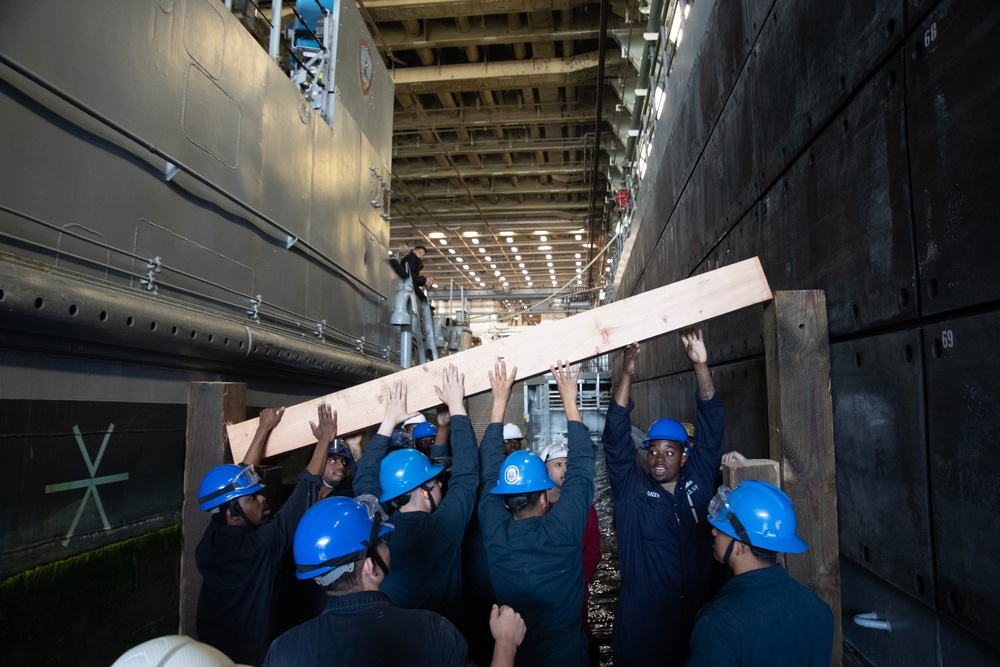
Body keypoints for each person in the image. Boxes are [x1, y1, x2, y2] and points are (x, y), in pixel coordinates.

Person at [263, 496, 526, 667]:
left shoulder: (283, 650)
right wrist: (505, 641)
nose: (386, 545)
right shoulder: (431, 631)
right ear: (368, 564)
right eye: (380, 540)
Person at [603, 330, 724, 667]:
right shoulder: (631, 489)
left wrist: (701, 367)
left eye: (668, 452)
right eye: (652, 450)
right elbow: (614, 438)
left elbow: (713, 427)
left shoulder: (698, 483)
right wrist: (627, 375)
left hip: (695, 628)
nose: (658, 459)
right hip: (644, 634)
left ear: (684, 456)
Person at [195, 404, 334, 666]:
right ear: (233, 513)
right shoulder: (258, 549)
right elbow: (302, 495)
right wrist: (324, 441)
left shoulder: (213, 537)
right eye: (253, 498)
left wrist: (263, 429)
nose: (262, 498)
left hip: (210, 652)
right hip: (249, 657)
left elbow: (239, 478)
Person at [479, 360, 596, 666]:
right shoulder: (563, 531)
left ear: (505, 503)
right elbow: (582, 466)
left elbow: (489, 471)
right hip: (566, 653)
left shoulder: (495, 535)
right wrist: (570, 399)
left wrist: (499, 402)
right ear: (544, 499)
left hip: (518, 653)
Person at [352, 368, 478, 630]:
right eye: (435, 483)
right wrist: (457, 406)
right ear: (423, 492)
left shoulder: (378, 530)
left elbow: (365, 480)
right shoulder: (445, 528)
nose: (440, 486)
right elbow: (466, 474)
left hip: (394, 642)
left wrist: (388, 421)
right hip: (444, 641)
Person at [687, 481, 834, 666]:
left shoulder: (718, 622)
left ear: (741, 548)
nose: (714, 531)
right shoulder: (819, 610)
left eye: (723, 529)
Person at [541, 442, 601, 666]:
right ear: (545, 469)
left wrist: (577, 580)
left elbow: (593, 551)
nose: (565, 470)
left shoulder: (584, 507)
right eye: (558, 465)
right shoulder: (536, 506)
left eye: (568, 465)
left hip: (575, 591)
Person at [314, 437, 356, 502]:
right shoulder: (305, 497)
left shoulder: (346, 498)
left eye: (344, 462)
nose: (341, 466)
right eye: (333, 460)